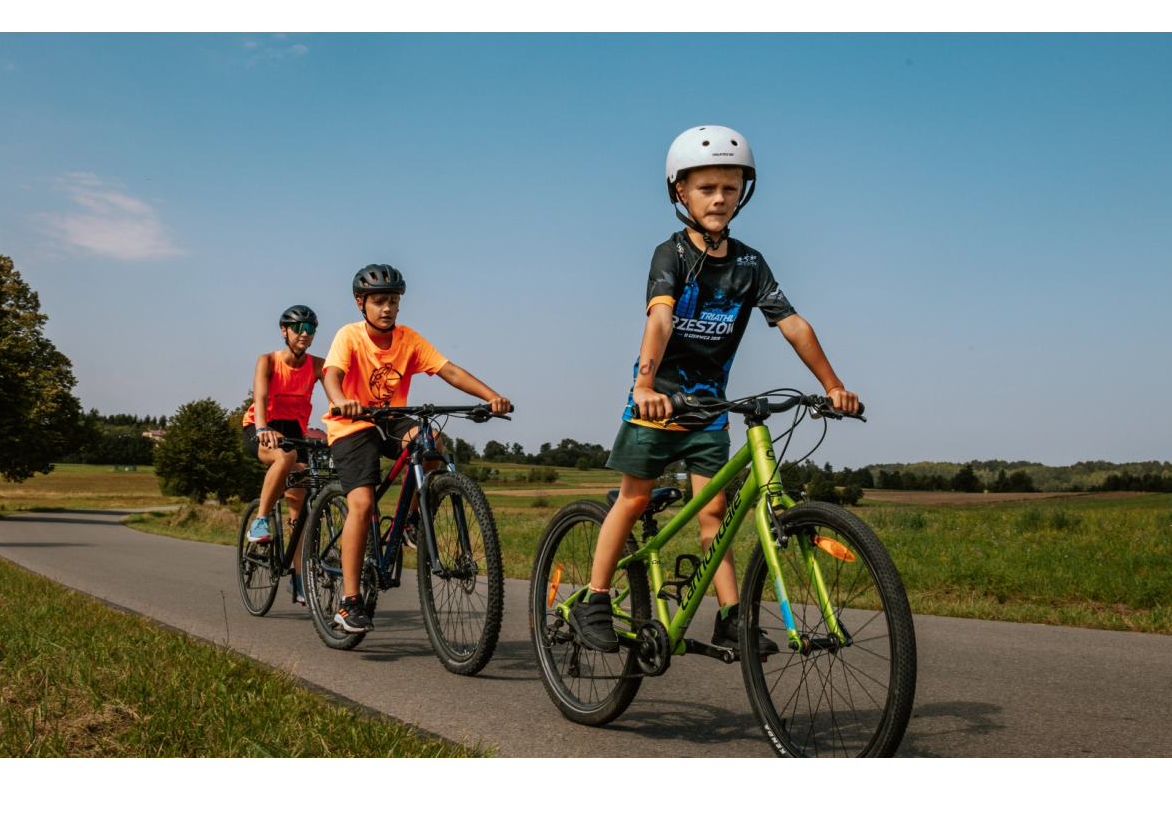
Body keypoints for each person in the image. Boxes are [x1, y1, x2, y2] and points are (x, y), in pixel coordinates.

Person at [577, 125, 861, 656]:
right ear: (680, 192)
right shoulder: (672, 255)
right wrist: (643, 385)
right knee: (634, 498)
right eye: (706, 188)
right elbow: (660, 320)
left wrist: (832, 384)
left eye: (729, 188)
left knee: (715, 514)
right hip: (657, 405)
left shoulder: (750, 264)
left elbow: (792, 322)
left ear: (742, 194)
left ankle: (732, 617)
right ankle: (595, 597)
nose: (719, 198)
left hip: (709, 411)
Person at [323, 264, 510, 635]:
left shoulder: (408, 339)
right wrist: (341, 400)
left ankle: (409, 521)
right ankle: (349, 601)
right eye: (378, 301)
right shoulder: (349, 336)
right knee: (361, 504)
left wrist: (491, 397)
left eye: (393, 301)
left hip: (390, 419)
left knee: (431, 442)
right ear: (361, 303)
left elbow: (449, 371)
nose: (387, 308)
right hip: (352, 423)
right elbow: (332, 374)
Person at [241, 304, 328, 604]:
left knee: (299, 506)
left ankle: (299, 577)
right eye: (298, 328)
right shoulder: (267, 361)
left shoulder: (318, 365)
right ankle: (261, 520)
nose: (304, 334)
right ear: (284, 331)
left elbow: (337, 392)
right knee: (285, 458)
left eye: (310, 329)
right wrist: (263, 427)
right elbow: (260, 396)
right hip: (260, 426)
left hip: (294, 432)